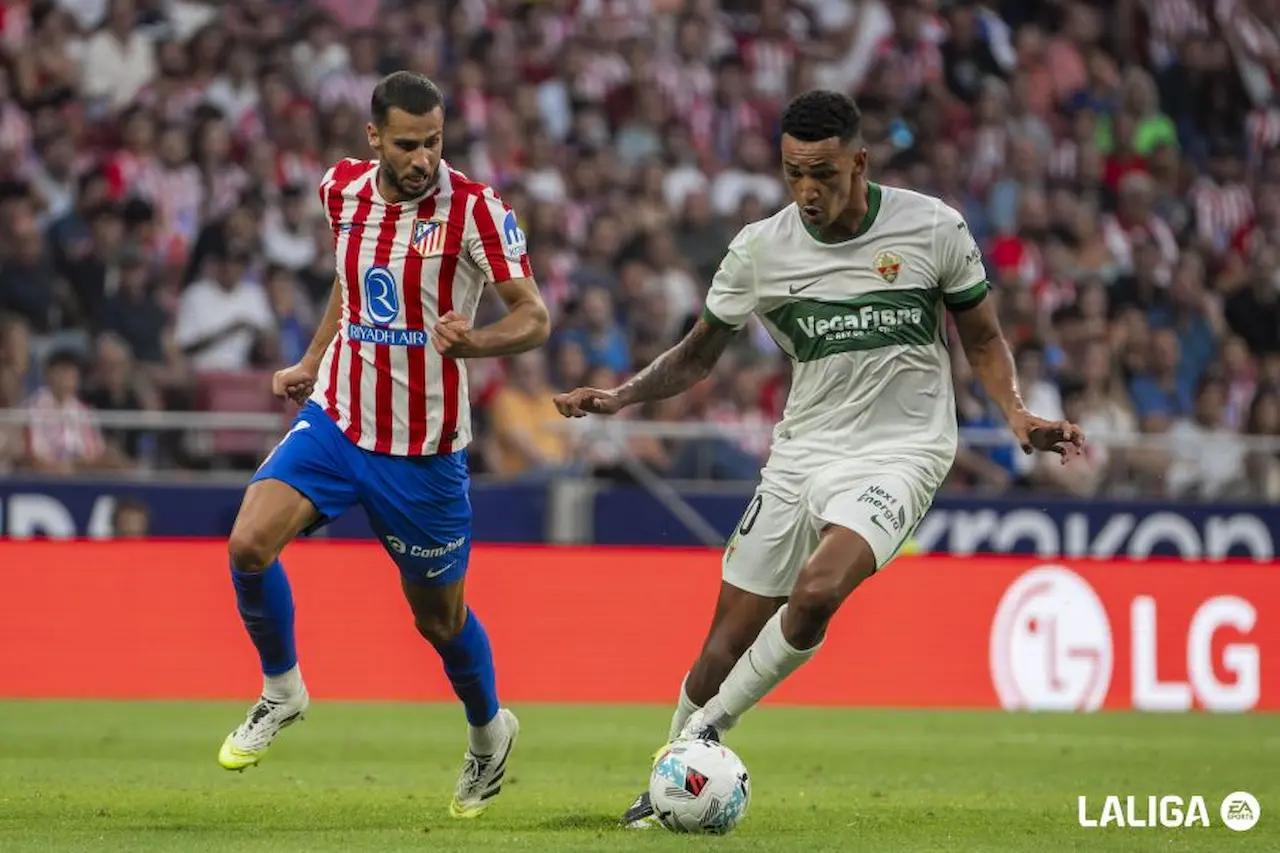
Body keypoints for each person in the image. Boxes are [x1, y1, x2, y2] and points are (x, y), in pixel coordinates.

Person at [553, 90, 1085, 828]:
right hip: (803, 451)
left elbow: (985, 338)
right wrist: (621, 396)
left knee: (817, 588)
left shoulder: (933, 228)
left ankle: (706, 737)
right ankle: (669, 776)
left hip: (904, 450)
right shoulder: (760, 250)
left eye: (824, 173)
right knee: (720, 649)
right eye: (793, 172)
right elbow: (698, 355)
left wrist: (1016, 413)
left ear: (858, 162)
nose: (807, 190)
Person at [218, 72, 550, 821]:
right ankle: (283, 689)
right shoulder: (341, 191)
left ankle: (489, 730)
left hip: (423, 451)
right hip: (338, 418)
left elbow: (534, 319)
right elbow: (350, 278)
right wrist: (311, 360)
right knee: (248, 543)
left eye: (433, 141)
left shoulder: (475, 210)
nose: (423, 158)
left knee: (438, 621)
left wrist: (476, 342)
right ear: (374, 138)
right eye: (407, 144)